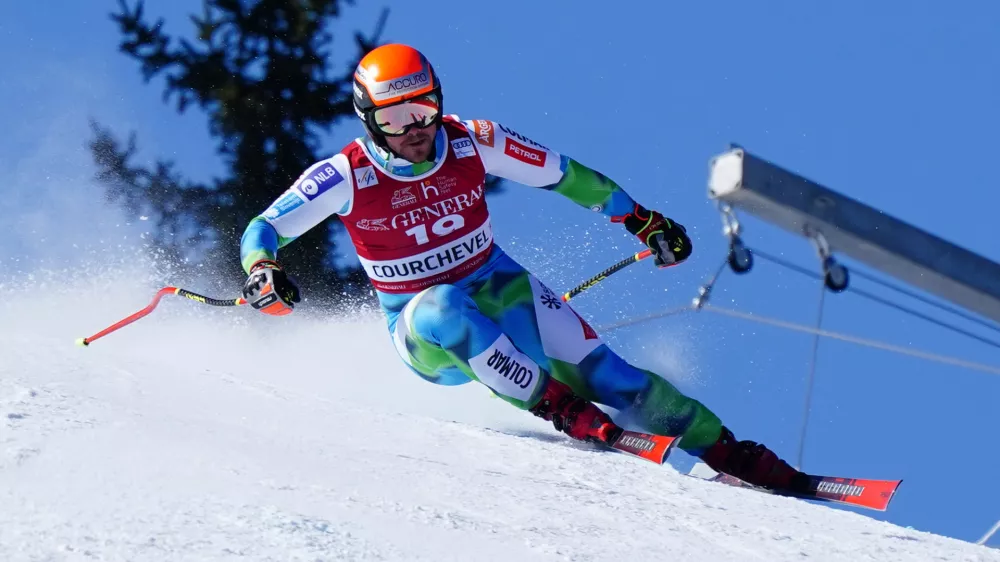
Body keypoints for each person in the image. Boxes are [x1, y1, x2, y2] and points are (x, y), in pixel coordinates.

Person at [239, 43, 808, 492]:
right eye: (394, 118)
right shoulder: (345, 175)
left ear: (439, 99)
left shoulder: (472, 141)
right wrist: (262, 269)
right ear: (369, 121)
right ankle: (564, 411)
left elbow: (568, 176)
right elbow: (262, 228)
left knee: (621, 381)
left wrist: (641, 221)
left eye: (423, 109)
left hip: (501, 291)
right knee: (443, 305)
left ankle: (730, 454)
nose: (414, 128)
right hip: (427, 335)